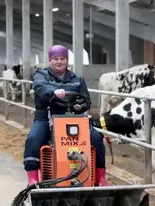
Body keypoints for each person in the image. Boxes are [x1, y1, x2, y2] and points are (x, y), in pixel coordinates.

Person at [23, 45, 108, 186]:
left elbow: (86, 99)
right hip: (47, 117)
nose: (59, 62)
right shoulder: (41, 75)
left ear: (67, 60)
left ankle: (100, 177)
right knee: (33, 139)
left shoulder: (77, 79)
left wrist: (80, 105)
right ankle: (33, 179)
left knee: (97, 138)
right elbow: (40, 87)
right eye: (55, 59)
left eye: (62, 58)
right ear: (50, 60)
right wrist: (53, 92)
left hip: (73, 118)